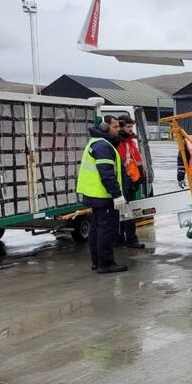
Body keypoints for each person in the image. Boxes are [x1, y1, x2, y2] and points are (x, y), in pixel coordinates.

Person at [77, 115, 128, 273]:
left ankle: (97, 261)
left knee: (96, 229)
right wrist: (117, 194)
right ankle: (105, 263)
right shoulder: (103, 146)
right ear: (105, 127)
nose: (118, 129)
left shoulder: (95, 143)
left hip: (94, 195)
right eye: (115, 127)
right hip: (102, 195)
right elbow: (107, 174)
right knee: (106, 230)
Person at [117, 115, 145, 249]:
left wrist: (141, 176)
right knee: (127, 212)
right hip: (125, 182)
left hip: (131, 181)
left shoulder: (129, 142)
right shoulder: (120, 143)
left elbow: (136, 161)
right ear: (121, 126)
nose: (130, 129)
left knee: (127, 212)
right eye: (128, 127)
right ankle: (129, 239)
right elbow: (122, 164)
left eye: (131, 126)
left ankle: (124, 238)